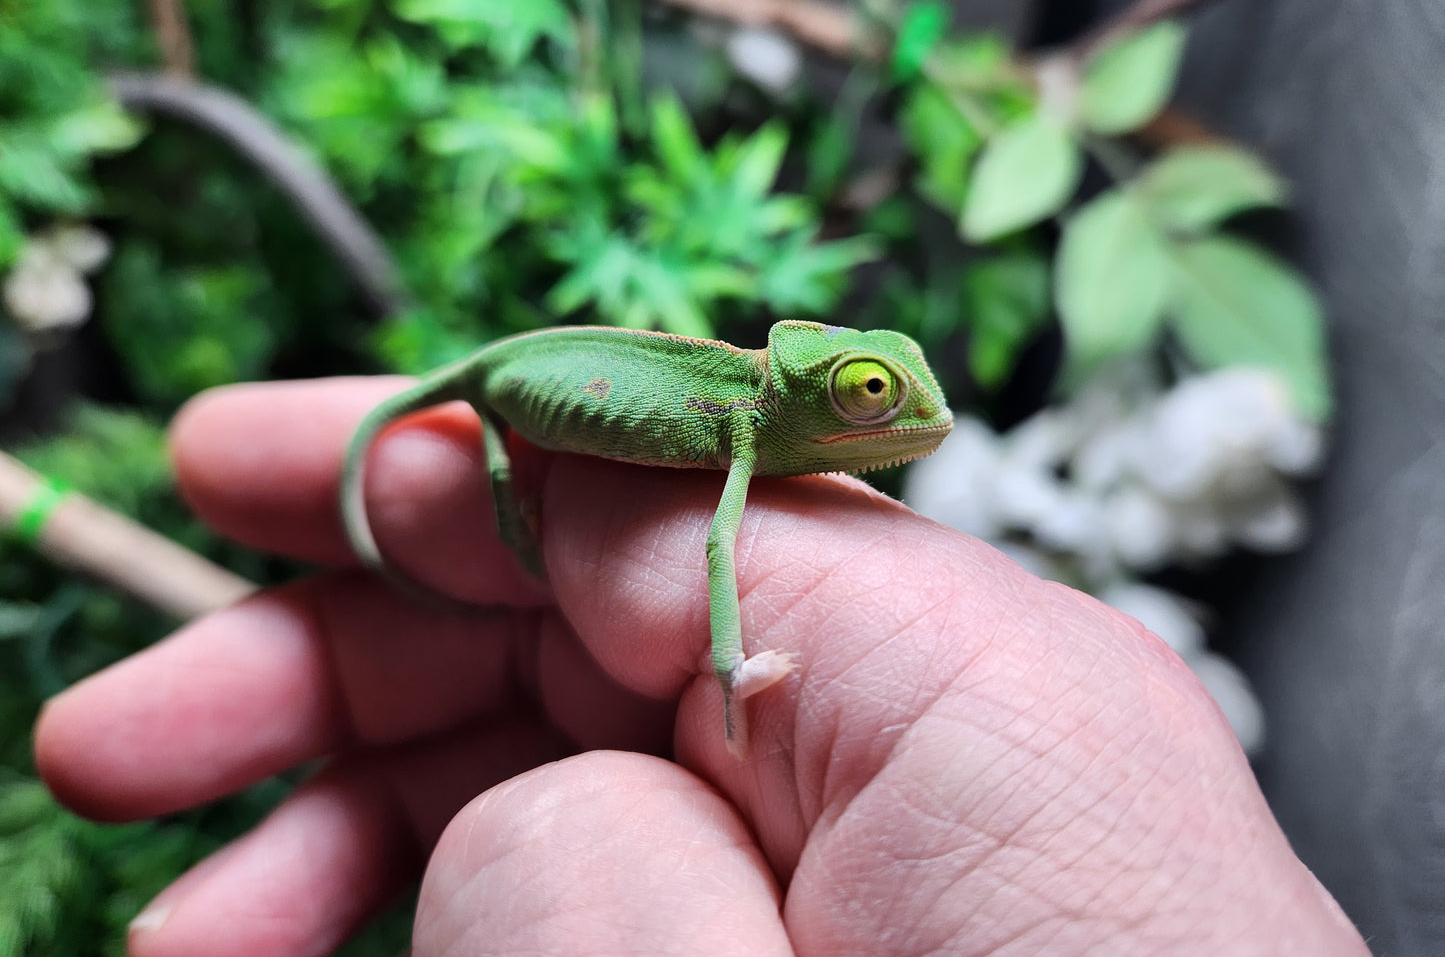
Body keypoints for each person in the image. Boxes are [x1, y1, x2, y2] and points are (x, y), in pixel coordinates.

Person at [33, 378, 1369, 956]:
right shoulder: (739, 423)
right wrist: (729, 655)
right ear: (802, 393)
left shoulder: (773, 429)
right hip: (515, 393)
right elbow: (718, 548)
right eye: (864, 399)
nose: (906, 428)